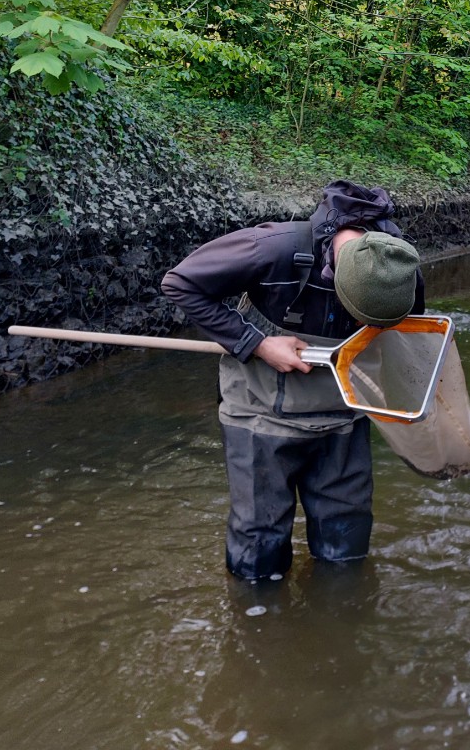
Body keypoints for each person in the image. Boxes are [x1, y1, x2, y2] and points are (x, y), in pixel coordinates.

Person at [161, 180, 424, 581]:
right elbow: (180, 284)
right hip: (260, 415)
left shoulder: (397, 271)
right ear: (330, 271)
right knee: (259, 551)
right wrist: (258, 343)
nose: (360, 324)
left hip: (344, 416)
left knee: (346, 547)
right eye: (358, 314)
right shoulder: (271, 248)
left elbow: (411, 335)